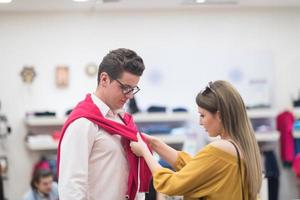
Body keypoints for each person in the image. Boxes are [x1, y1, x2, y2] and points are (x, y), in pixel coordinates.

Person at [130, 80, 262, 200]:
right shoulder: (241, 147)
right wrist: (155, 144)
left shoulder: (219, 149)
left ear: (220, 115)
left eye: (203, 115)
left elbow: (170, 185)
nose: (200, 122)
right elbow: (196, 168)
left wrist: (145, 152)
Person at [57, 48, 151, 200]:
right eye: (125, 88)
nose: (130, 96)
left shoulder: (124, 120)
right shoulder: (83, 123)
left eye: (133, 89)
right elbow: (71, 187)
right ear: (104, 79)